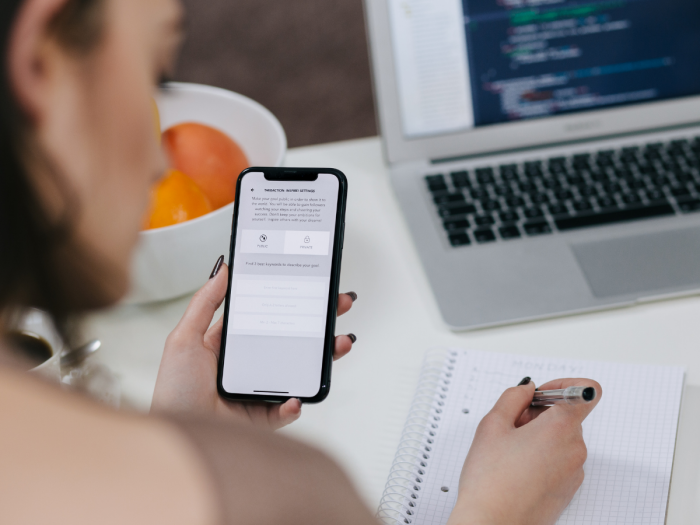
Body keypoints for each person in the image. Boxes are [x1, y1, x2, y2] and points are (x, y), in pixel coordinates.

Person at [0, 0, 602, 524]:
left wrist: (185, 430)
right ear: (40, 61)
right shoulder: (274, 500)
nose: (164, 167)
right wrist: (499, 511)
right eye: (155, 73)